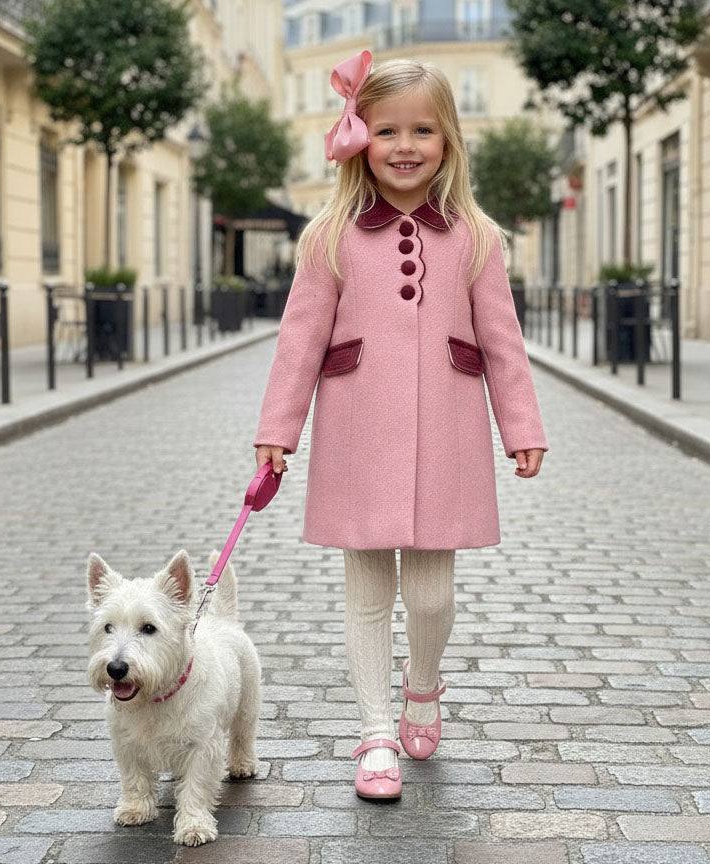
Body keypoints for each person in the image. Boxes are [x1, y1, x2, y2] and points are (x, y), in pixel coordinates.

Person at [252, 50, 547, 800]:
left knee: (430, 596)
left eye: (424, 130)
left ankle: (423, 684)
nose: (406, 146)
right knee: (365, 593)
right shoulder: (328, 235)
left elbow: (503, 339)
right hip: (355, 429)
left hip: (448, 432)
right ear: (360, 136)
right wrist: (276, 432)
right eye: (388, 131)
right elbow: (298, 340)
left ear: (448, 139)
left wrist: (521, 424)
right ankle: (375, 729)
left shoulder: (478, 236)